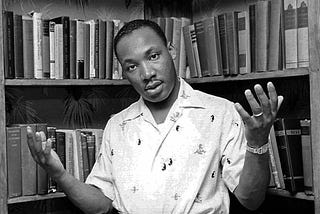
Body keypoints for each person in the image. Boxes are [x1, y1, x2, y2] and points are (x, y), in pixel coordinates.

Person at [27, 19, 283, 214]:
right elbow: (101, 205)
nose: (146, 73)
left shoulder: (221, 112)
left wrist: (257, 143)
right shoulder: (118, 125)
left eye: (153, 56)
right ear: (124, 73)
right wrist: (59, 174)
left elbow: (251, 199)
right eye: (132, 66)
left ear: (170, 50)